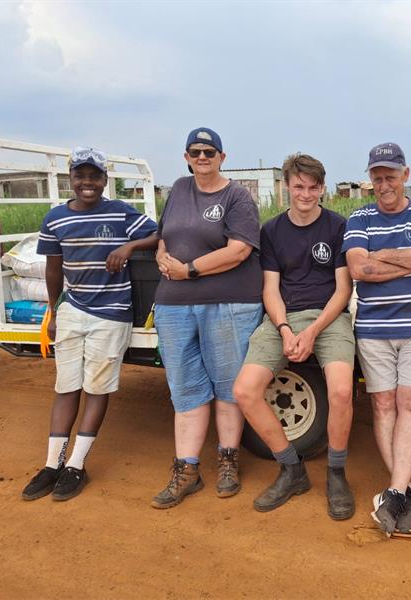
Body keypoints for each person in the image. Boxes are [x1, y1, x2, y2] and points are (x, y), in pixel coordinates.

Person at [22, 147, 158, 502]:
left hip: (111, 313)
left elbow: (159, 235)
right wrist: (53, 312)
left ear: (104, 180)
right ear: (71, 180)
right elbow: (54, 268)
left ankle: (77, 465)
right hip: (71, 309)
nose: (87, 182)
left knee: (97, 388)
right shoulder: (55, 219)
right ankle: (52, 464)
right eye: (80, 176)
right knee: (66, 386)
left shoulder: (120, 212)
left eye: (94, 176)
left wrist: (130, 248)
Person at [234, 153, 356, 520]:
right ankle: (291, 469)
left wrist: (314, 330)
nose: (305, 194)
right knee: (245, 391)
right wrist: (286, 329)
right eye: (298, 186)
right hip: (284, 317)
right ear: (287, 186)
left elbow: (343, 290)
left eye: (313, 187)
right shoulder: (271, 231)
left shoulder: (337, 226)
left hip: (329, 318)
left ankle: (336, 473)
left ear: (322, 188)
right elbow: (270, 288)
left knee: (341, 391)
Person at [151, 127, 263, 509]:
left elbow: (239, 251)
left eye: (210, 152)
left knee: (228, 386)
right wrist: (162, 257)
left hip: (227, 302)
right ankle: (187, 468)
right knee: (185, 388)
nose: (203, 157)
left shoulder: (237, 196)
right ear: (186, 156)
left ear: (222, 157)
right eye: (196, 152)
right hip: (174, 305)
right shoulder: (179, 190)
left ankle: (228, 460)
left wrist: (191, 270)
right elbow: (164, 235)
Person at [343, 143, 411, 536]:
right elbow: (358, 268)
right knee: (384, 403)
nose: (384, 183)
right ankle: (402, 490)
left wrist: (383, 257)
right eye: (377, 176)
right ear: (370, 179)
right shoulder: (359, 217)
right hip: (373, 328)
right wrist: (407, 257)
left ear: (406, 175)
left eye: (391, 175)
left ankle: (395, 492)